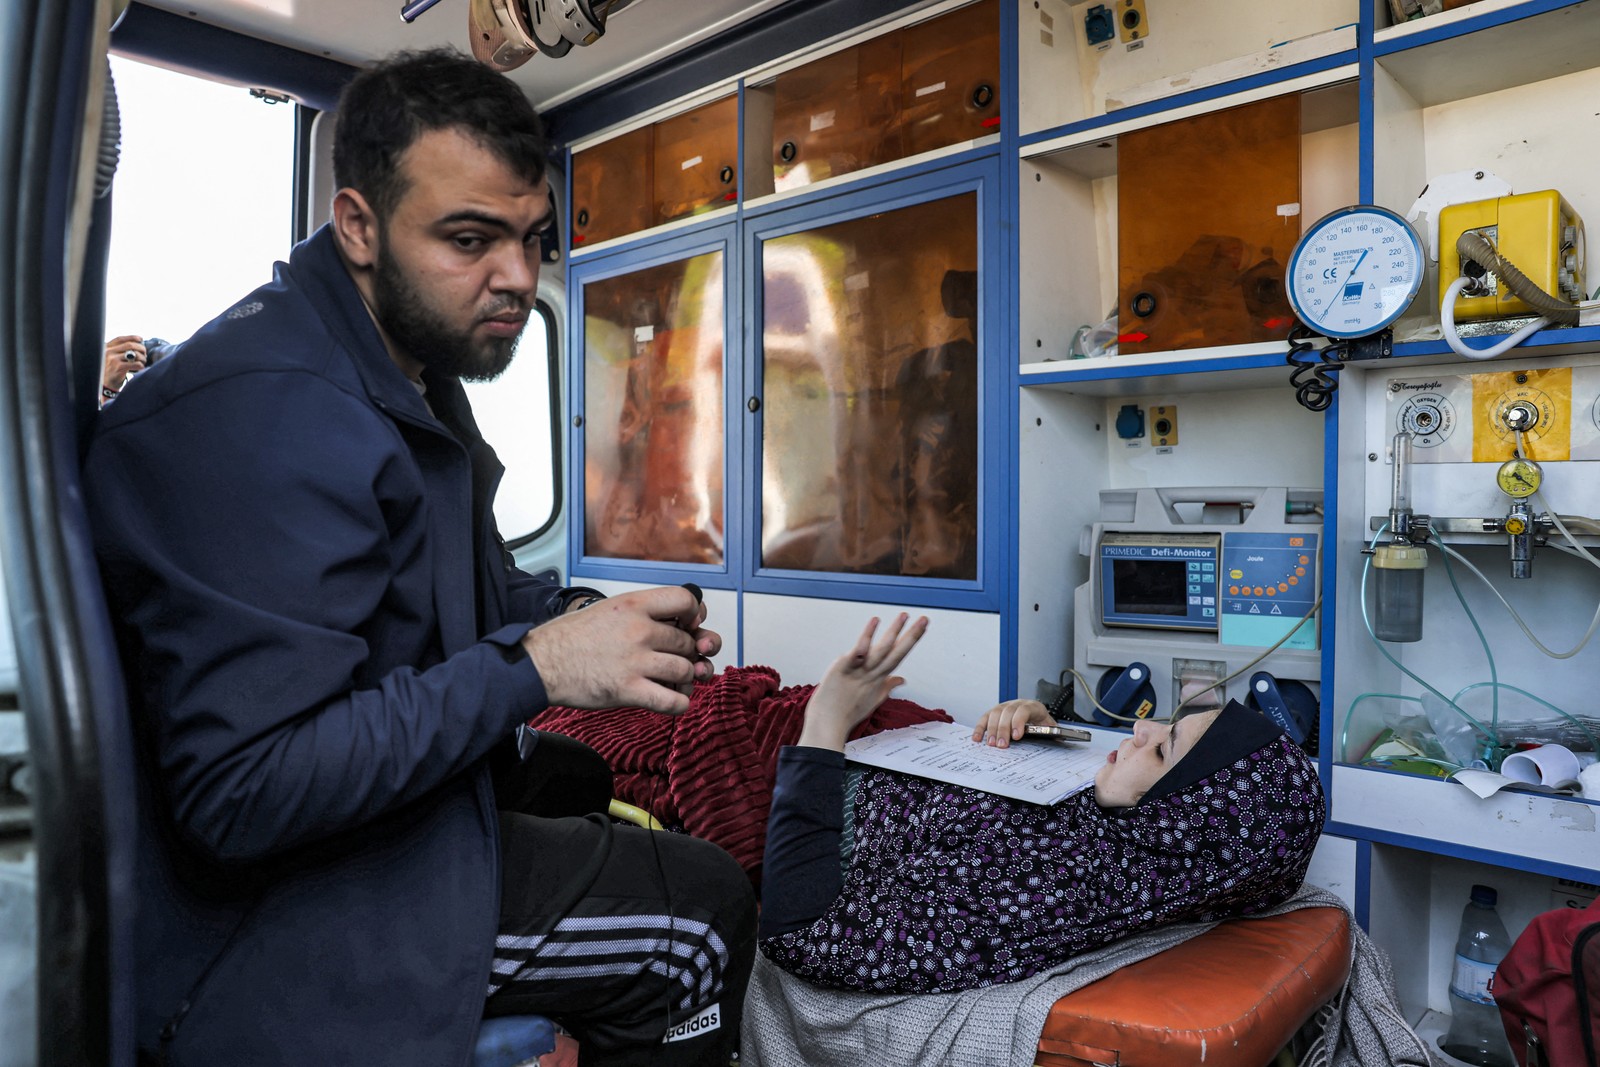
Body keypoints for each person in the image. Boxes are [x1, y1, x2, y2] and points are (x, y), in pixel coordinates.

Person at [82, 48, 754, 1067]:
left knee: (573, 775)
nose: (519, 280)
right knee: (700, 910)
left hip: (361, 835)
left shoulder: (408, 368)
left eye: (531, 241)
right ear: (357, 224)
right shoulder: (270, 414)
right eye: (470, 239)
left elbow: (477, 588)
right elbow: (244, 790)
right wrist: (541, 666)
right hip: (263, 917)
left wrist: (583, 613)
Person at [757, 614, 1324, 994]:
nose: (1143, 730)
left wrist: (826, 720)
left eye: (1163, 748)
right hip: (885, 746)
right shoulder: (1138, 836)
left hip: (804, 787)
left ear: (1180, 820)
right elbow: (1080, 797)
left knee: (704, 720)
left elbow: (802, 934)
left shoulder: (1053, 885)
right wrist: (1042, 734)